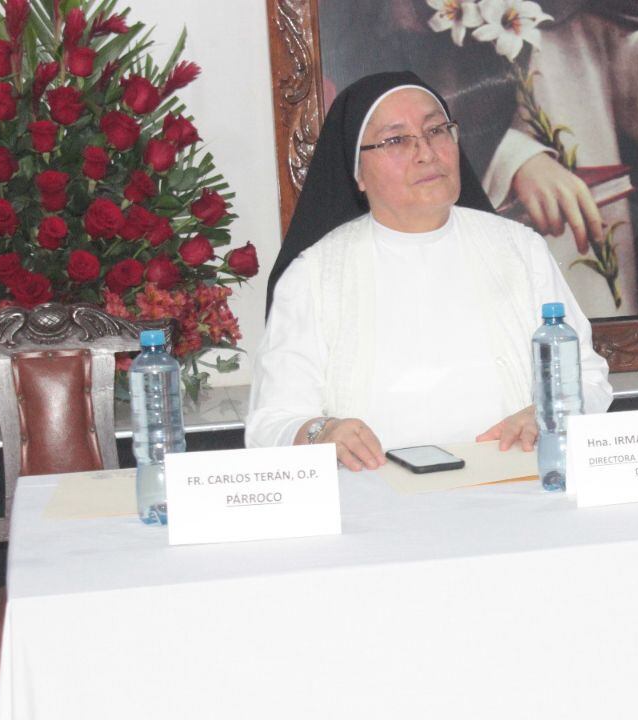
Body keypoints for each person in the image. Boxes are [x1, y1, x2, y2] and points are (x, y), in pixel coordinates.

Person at [318, 0, 638, 317]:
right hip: (481, 207)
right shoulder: (394, 13)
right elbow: (385, 102)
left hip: (588, 202)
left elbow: (614, 45)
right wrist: (513, 159)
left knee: (590, 307)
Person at [246, 72, 612, 471]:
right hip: (373, 510)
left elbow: (589, 380)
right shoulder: (313, 275)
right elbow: (270, 424)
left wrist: (548, 413)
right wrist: (321, 431)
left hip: (512, 490)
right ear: (358, 174)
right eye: (396, 139)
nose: (426, 152)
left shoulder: (519, 249)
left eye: (437, 130)